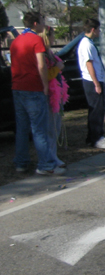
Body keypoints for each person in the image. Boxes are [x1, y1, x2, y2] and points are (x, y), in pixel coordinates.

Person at [10, 11, 65, 175]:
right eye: (42, 21)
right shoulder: (36, 39)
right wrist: (44, 85)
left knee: (22, 127)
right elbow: (41, 65)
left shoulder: (16, 40)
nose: (44, 24)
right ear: (35, 23)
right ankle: (46, 165)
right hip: (33, 88)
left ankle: (21, 162)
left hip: (17, 87)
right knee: (39, 128)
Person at [78, 18, 105, 149]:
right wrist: (96, 83)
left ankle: (91, 136)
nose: (99, 32)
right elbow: (89, 64)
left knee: (97, 110)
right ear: (93, 30)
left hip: (96, 80)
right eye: (98, 29)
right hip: (92, 81)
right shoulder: (86, 44)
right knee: (97, 111)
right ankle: (97, 138)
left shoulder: (89, 43)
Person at [38, 24, 68, 167]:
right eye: (52, 35)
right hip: (49, 94)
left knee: (55, 126)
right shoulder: (42, 54)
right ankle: (50, 158)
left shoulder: (49, 53)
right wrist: (58, 67)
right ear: (47, 36)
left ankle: (53, 156)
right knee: (50, 128)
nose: (54, 38)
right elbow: (46, 74)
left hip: (56, 93)